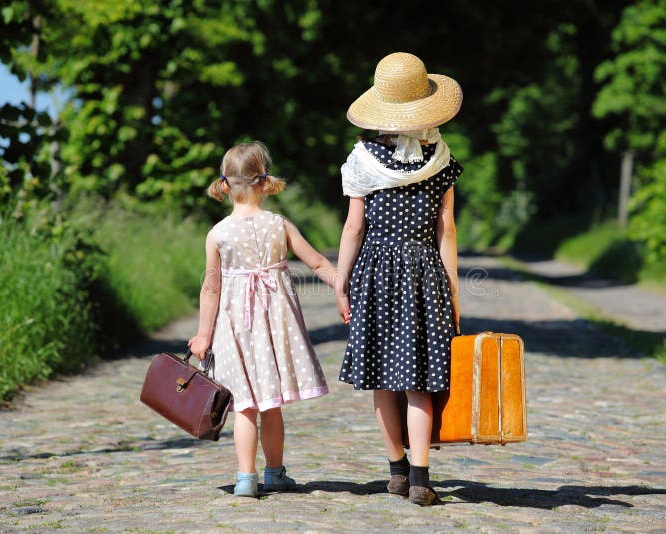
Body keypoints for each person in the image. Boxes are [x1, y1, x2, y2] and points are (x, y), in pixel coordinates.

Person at [335, 52, 462, 506]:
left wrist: (339, 280)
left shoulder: (362, 161)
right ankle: (422, 478)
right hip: (425, 273)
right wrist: (453, 289)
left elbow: (354, 228)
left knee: (383, 376)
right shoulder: (442, 160)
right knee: (420, 379)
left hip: (375, 273)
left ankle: (396, 471)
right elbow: (446, 230)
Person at [188, 141, 337, 498]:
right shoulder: (278, 224)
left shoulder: (218, 233)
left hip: (234, 328)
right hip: (276, 326)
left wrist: (202, 336)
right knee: (271, 403)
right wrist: (343, 288)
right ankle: (274, 473)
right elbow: (316, 262)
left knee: (244, 404)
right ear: (265, 181)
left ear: (225, 184)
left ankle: (245, 479)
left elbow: (211, 288)